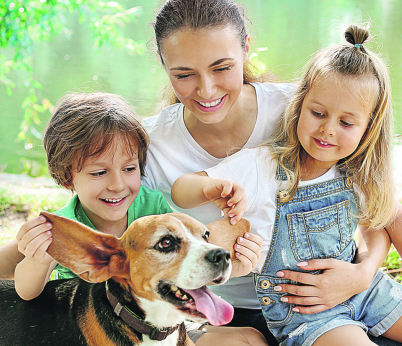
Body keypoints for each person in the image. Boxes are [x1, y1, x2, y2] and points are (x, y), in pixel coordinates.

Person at [171, 25, 402, 346]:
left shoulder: (356, 172)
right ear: (299, 105)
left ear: (367, 128)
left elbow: (394, 218)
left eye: (346, 122)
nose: (327, 130)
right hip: (307, 312)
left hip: (366, 291)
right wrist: (209, 188)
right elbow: (181, 190)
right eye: (318, 113)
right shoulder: (264, 166)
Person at [145, 1, 399, 345]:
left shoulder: (305, 111)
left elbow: (380, 209)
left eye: (222, 68)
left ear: (246, 47)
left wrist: (363, 273)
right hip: (211, 314)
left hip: (321, 303)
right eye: (184, 75)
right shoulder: (149, 145)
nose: (206, 90)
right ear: (163, 65)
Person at [5, 92, 265, 345]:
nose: (117, 185)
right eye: (99, 173)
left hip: (167, 318)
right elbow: (27, 292)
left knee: (250, 339)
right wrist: (39, 258)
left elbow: (185, 263)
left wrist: (232, 268)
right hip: (93, 320)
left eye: (129, 169)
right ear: (67, 177)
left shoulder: (155, 209)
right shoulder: (66, 229)